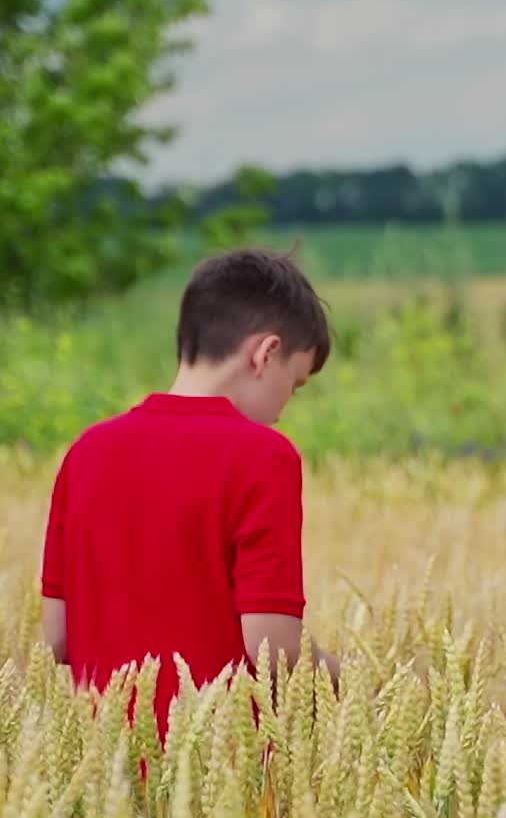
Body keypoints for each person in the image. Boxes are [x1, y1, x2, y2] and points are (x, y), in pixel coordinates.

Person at [39, 247, 340, 742]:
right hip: (219, 771)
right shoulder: (263, 456)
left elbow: (55, 639)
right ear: (265, 354)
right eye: (296, 383)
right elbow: (273, 649)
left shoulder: (86, 452)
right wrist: (356, 682)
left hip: (102, 775)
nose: (286, 407)